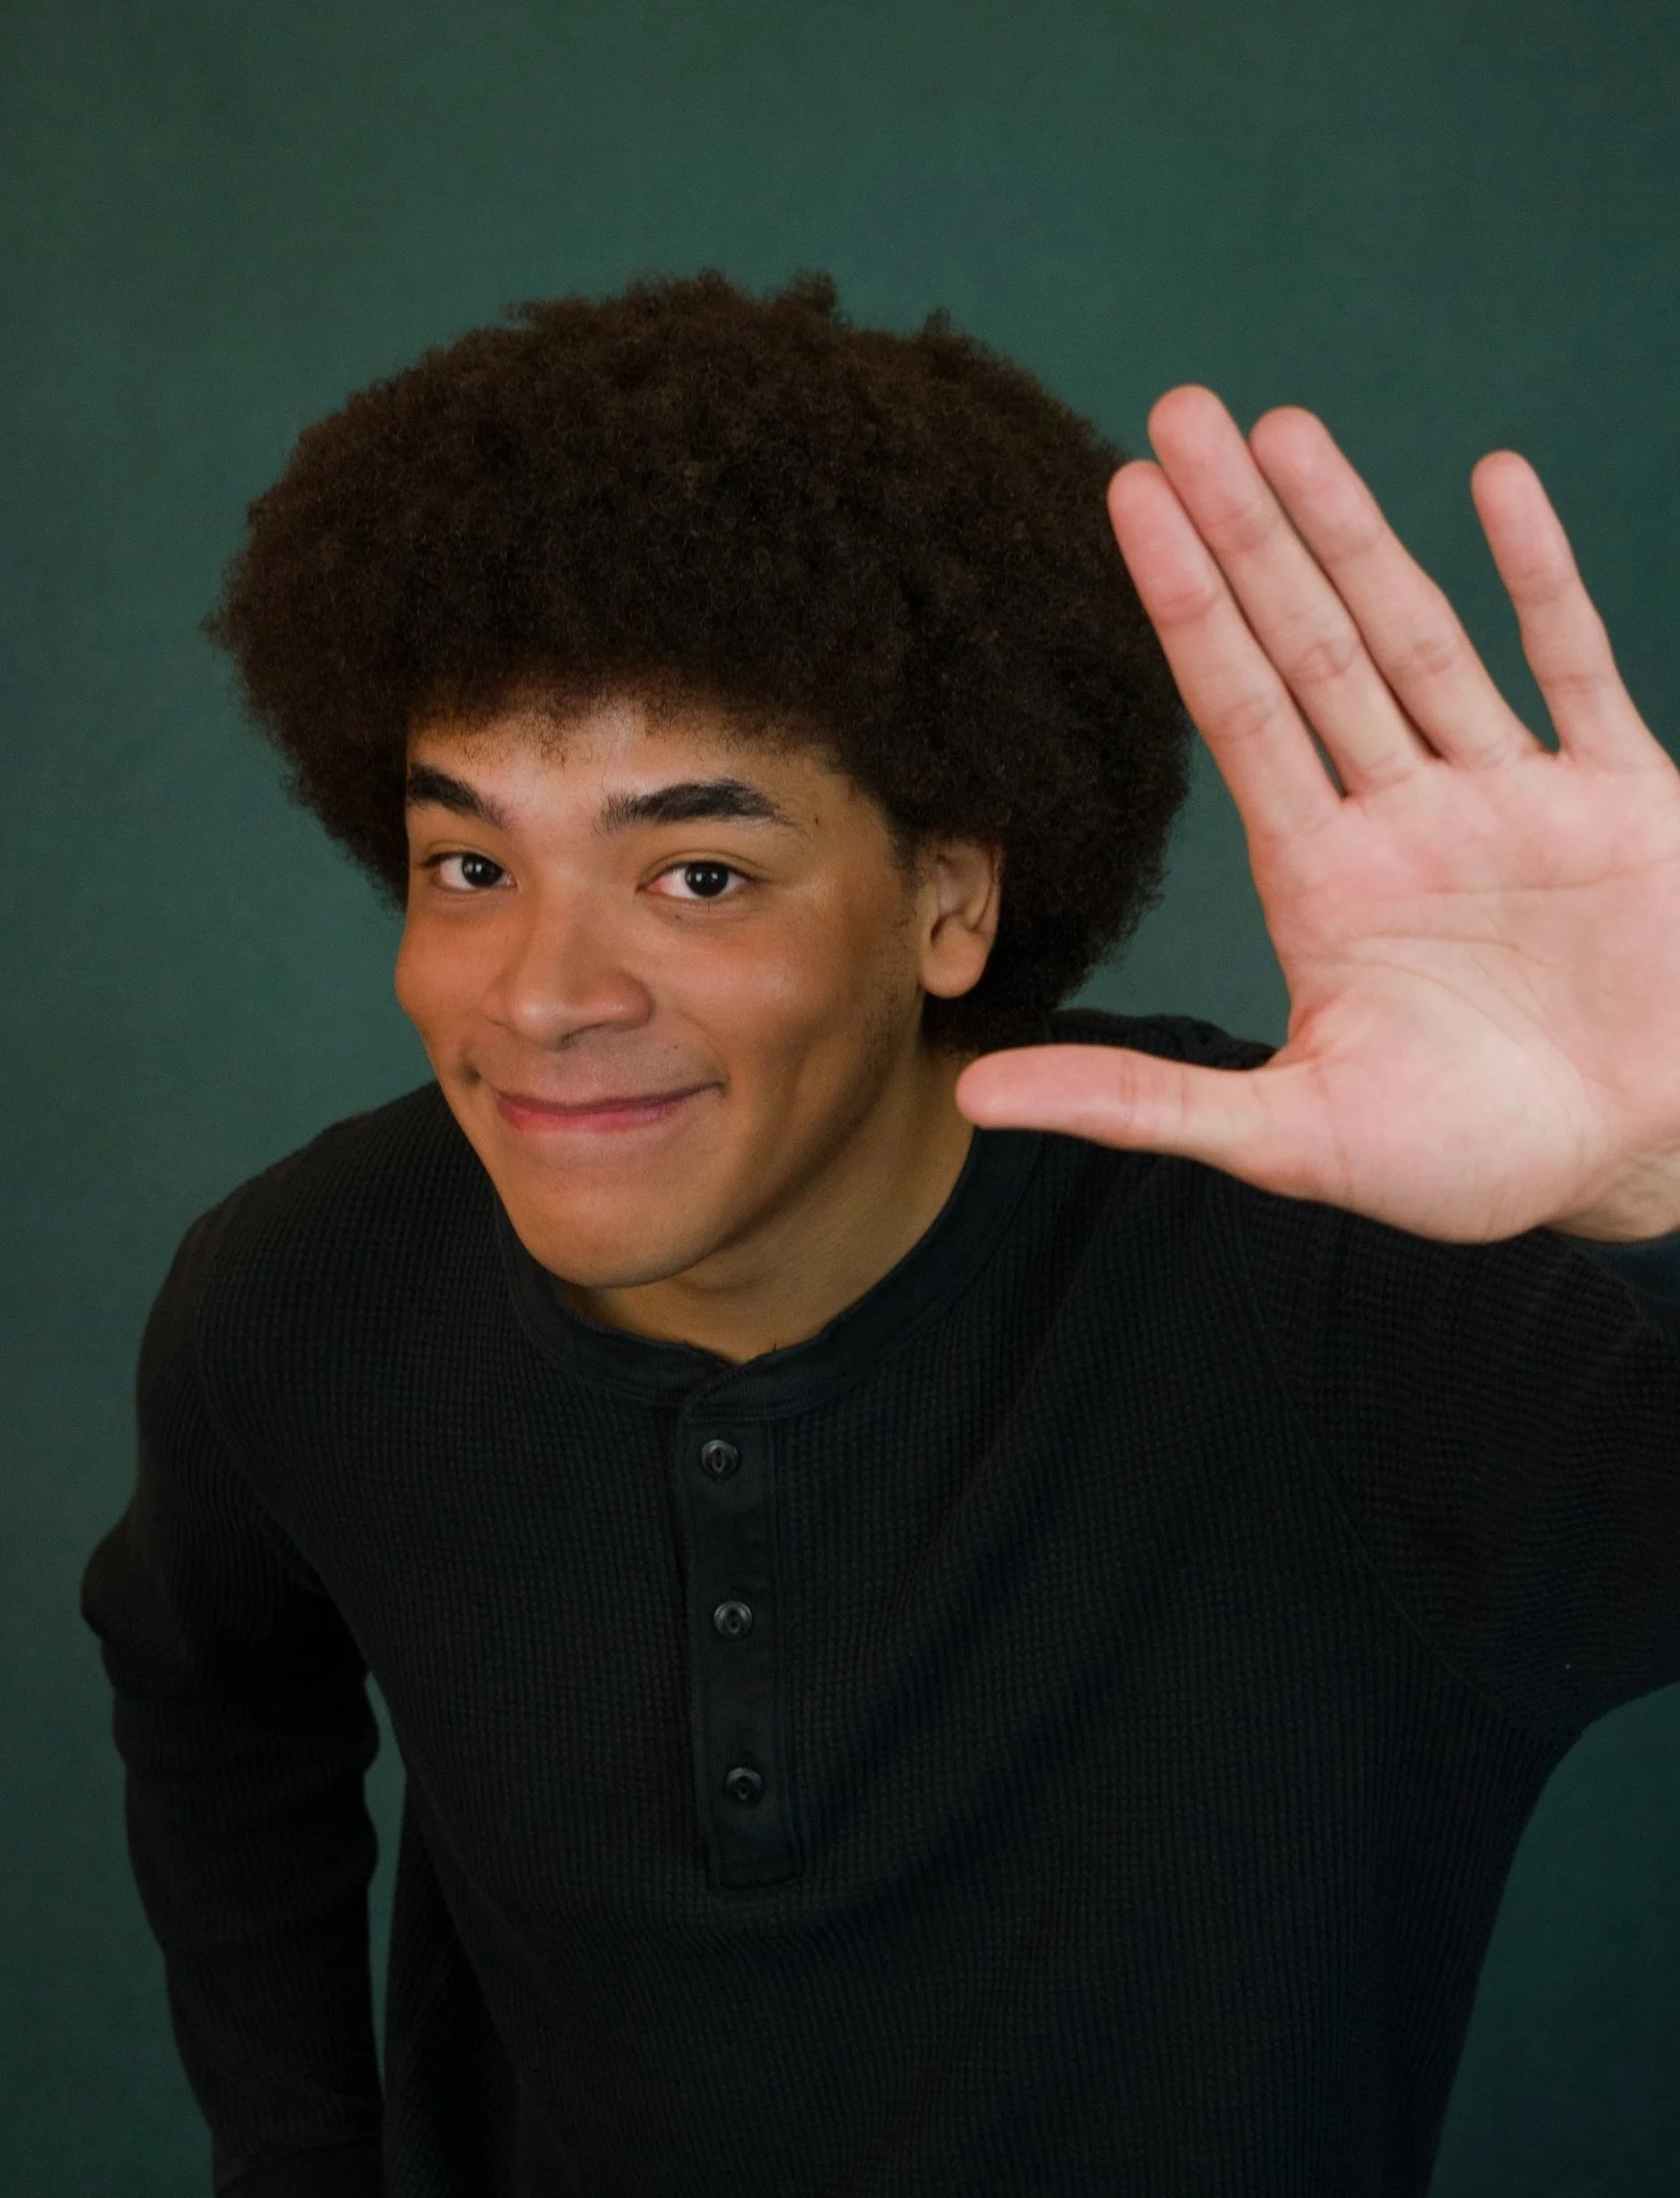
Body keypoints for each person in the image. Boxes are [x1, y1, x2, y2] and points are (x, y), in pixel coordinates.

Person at [80, 271, 1680, 2198]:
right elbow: (205, 1695)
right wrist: (300, 2158)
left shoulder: (1353, 1306)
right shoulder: (299, 1292)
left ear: (949, 904)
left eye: (698, 873)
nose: (541, 993)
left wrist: (1654, 1178)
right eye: (470, 865)